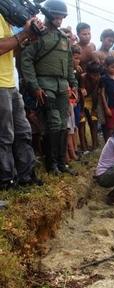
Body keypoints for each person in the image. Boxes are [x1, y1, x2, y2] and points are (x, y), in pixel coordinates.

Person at [21, 0, 78, 176]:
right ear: (47, 15)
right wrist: (35, 86)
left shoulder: (63, 39)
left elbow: (69, 64)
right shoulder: (38, 36)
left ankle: (61, 163)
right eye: (56, 16)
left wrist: (73, 83)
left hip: (62, 86)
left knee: (62, 124)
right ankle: (51, 163)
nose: (59, 20)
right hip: (45, 84)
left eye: (62, 17)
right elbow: (26, 60)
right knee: (53, 123)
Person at [0, 13, 43, 189]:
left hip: (10, 84)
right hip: (1, 85)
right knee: (5, 136)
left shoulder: (7, 19)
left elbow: (12, 50)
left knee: (23, 132)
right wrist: (23, 33)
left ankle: (26, 175)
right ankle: (6, 180)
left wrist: (30, 36)